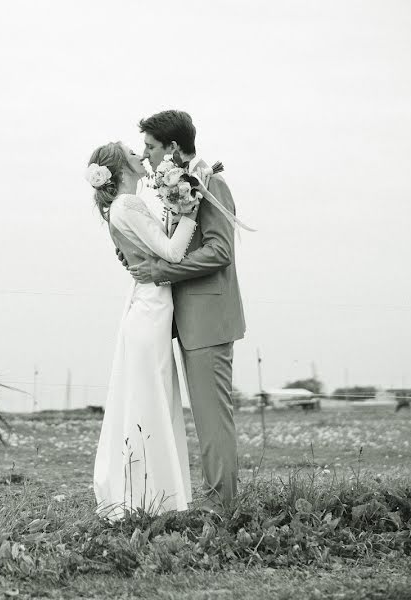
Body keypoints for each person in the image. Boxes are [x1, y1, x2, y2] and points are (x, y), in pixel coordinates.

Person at [86, 141, 218, 520]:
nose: (141, 154)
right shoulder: (128, 204)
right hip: (150, 308)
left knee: (147, 398)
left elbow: (151, 250)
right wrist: (191, 210)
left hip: (149, 307)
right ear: (117, 165)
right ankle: (150, 497)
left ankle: (147, 493)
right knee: (151, 400)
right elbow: (173, 253)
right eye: (133, 151)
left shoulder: (120, 208)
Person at [124, 110, 246, 508]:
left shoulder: (211, 185)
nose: (145, 156)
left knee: (212, 419)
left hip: (209, 319)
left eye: (151, 147)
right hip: (183, 318)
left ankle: (222, 504)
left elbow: (220, 251)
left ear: (173, 148)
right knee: (201, 419)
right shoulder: (175, 188)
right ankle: (214, 497)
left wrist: (161, 272)